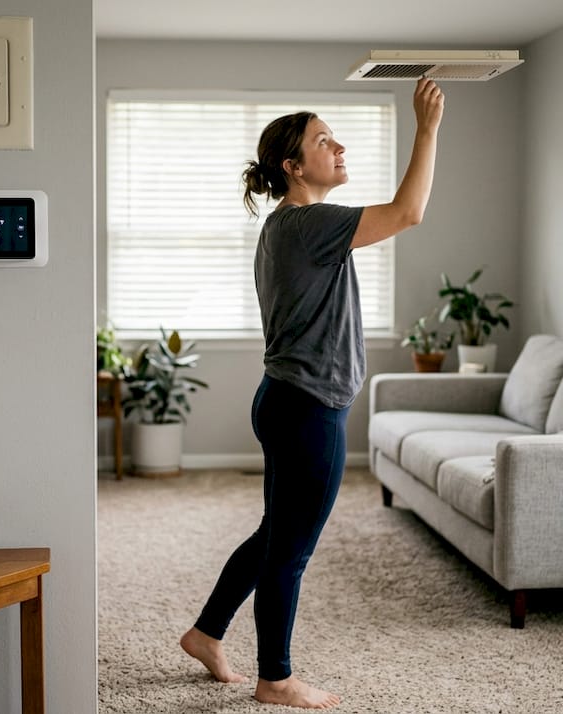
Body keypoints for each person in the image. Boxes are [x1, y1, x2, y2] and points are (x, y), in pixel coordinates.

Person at [179, 77, 445, 709]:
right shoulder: (308, 224)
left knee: (277, 533)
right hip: (308, 411)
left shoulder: (286, 226)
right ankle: (276, 678)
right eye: (325, 141)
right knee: (291, 552)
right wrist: (428, 129)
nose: (340, 147)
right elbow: (410, 212)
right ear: (293, 166)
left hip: (284, 400)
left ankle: (205, 632)